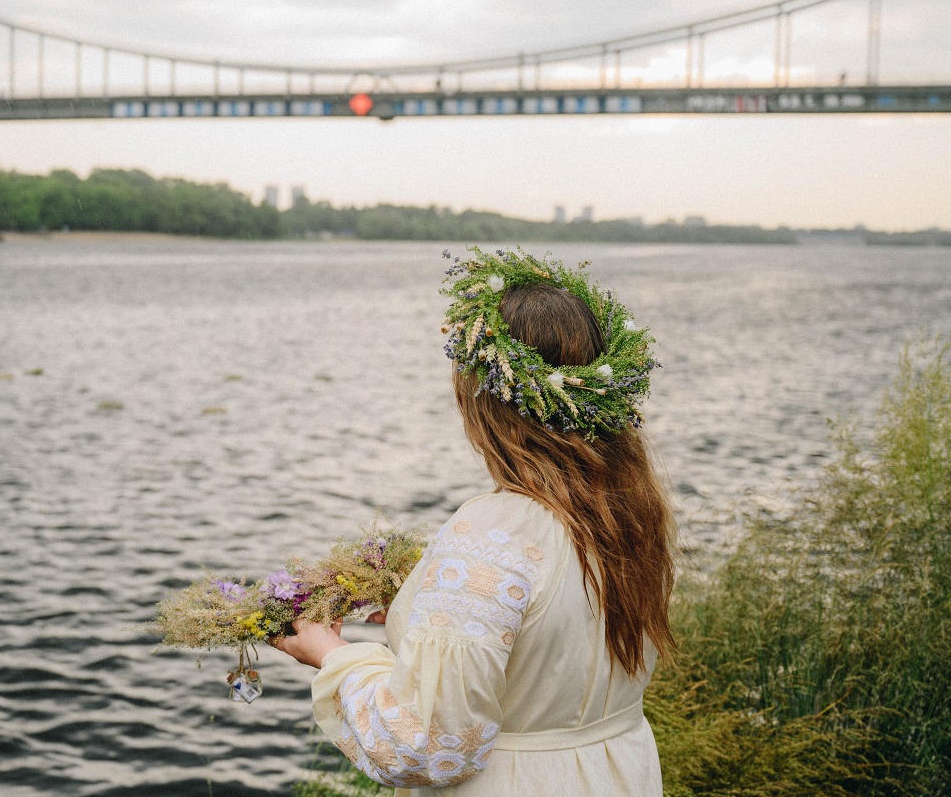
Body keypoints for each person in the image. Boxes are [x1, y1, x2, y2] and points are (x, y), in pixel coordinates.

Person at [273, 248, 675, 796]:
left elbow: (426, 746)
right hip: (615, 774)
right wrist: (419, 616)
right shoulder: (629, 510)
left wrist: (331, 654)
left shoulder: (497, 531)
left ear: (485, 401)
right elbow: (550, 645)